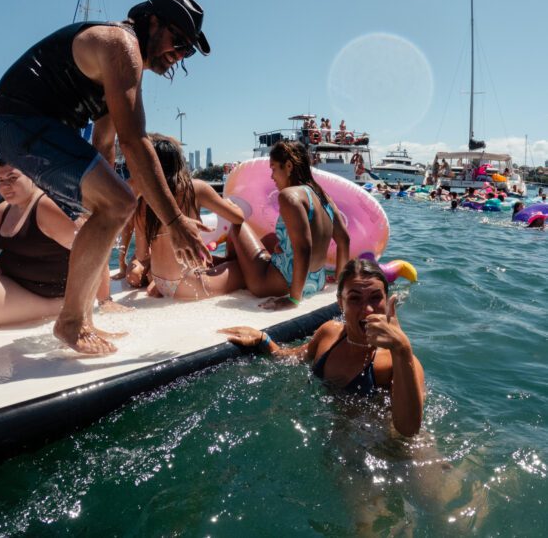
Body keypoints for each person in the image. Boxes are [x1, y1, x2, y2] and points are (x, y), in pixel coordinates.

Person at [0, 0, 212, 354]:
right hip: (17, 121)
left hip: (29, 127)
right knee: (119, 203)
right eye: (179, 41)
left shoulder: (121, 67)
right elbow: (135, 143)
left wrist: (100, 205)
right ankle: (71, 322)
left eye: (187, 52)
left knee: (113, 205)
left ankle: (82, 317)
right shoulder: (121, 45)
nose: (180, 55)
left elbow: (105, 144)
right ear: (152, 22)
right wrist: (174, 221)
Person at [220, 258, 425, 436]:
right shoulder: (329, 333)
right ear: (340, 303)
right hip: (337, 441)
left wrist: (402, 349)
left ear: (387, 300)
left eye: (376, 297)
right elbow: (290, 358)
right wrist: (263, 339)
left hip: (388, 455)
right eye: (354, 298)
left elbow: (408, 431)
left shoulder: (397, 361)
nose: (368, 309)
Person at [224, 140, 349, 310]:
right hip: (316, 281)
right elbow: (344, 240)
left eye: (274, 168)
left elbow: (304, 248)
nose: (272, 176)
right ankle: (234, 267)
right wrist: (339, 282)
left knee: (237, 225)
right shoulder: (324, 197)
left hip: (279, 283)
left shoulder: (289, 196)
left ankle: (229, 268)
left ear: (288, 166)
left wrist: (294, 299)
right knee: (270, 239)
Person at [0, 160, 80, 327]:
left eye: (12, 178)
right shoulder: (5, 208)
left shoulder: (47, 206)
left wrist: (104, 299)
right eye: (0, 180)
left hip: (44, 291)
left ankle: (59, 306)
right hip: (14, 275)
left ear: (32, 176)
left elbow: (90, 249)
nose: (5, 186)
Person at [132, 134, 245, 300]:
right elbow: (238, 218)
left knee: (216, 260)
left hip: (161, 282)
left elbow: (141, 256)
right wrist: (233, 205)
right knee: (246, 268)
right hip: (190, 283)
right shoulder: (194, 188)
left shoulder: (143, 199)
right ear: (179, 161)